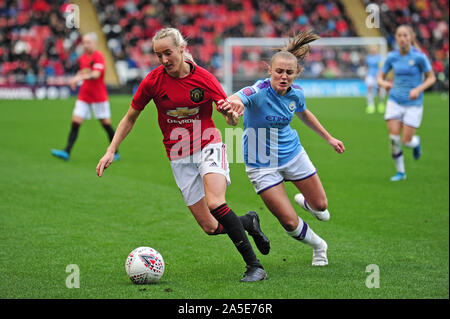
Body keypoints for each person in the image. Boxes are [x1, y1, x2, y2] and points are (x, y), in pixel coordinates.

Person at [96, 28, 269, 282]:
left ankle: (255, 266)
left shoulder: (205, 79)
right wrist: (111, 150)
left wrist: (231, 114)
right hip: (178, 154)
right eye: (158, 55)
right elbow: (130, 116)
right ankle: (247, 222)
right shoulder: (153, 81)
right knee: (210, 226)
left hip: (208, 144)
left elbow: (231, 120)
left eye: (168, 53)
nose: (164, 60)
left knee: (216, 203)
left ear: (181, 49)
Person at [219, 30, 345, 266]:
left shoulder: (296, 94)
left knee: (321, 207)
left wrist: (329, 138)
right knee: (288, 222)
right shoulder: (257, 91)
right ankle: (319, 246)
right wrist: (231, 109)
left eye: (289, 72)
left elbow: (303, 112)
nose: (283, 76)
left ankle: (307, 203)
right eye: (279, 71)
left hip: (292, 154)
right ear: (269, 71)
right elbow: (238, 98)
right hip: (260, 162)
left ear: (296, 74)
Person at [377, 25, 436, 182]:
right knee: (394, 139)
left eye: (405, 35)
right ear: (396, 38)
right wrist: (384, 84)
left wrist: (418, 89)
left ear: (411, 37)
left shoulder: (419, 57)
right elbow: (379, 77)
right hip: (395, 100)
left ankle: (416, 143)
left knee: (406, 141)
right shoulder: (392, 56)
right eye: (399, 35)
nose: (402, 38)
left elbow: (431, 77)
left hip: (413, 103)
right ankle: (401, 172)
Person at [51, 32, 119, 161]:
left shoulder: (99, 56)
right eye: (84, 42)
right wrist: (76, 77)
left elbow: (96, 74)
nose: (85, 45)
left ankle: (115, 152)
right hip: (84, 96)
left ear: (95, 43)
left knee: (106, 124)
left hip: (99, 97)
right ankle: (67, 151)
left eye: (88, 42)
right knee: (75, 122)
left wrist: (79, 77)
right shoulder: (83, 58)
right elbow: (84, 71)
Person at [364, 45, 386, 114]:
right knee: (369, 88)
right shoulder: (368, 57)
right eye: (371, 49)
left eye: (374, 49)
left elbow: (381, 67)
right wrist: (365, 74)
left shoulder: (379, 57)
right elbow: (366, 66)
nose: (373, 50)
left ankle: (381, 103)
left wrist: (381, 75)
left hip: (377, 75)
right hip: (370, 75)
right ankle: (371, 105)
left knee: (379, 89)